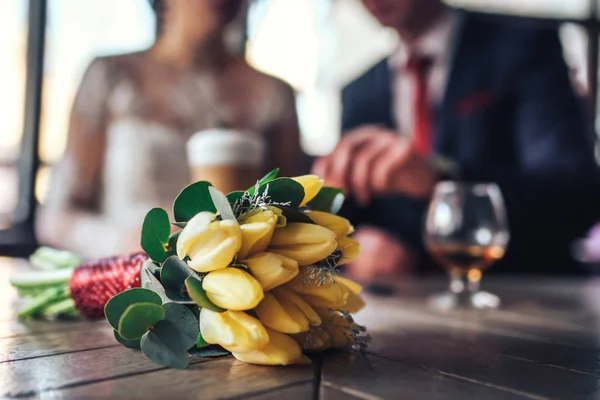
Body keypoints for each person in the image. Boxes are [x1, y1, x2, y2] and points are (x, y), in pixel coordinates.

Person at [313, 0, 600, 281]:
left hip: (525, 295)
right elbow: (357, 217)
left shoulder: (525, 49)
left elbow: (573, 194)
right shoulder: (358, 91)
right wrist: (351, 245)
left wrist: (439, 177)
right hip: (408, 305)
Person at [38, 0, 303, 258]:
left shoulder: (274, 93)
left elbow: (292, 216)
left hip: (237, 291)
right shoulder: (109, 75)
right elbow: (54, 219)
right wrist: (125, 241)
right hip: (126, 286)